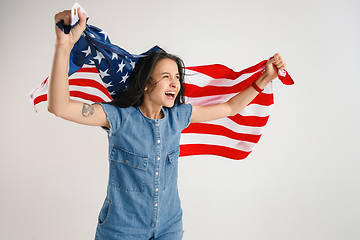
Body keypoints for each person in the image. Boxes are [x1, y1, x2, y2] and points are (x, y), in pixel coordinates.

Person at [48, 8, 287, 240]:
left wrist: (266, 77)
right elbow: (59, 107)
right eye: (165, 77)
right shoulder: (119, 118)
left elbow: (231, 108)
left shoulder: (179, 117)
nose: (174, 83)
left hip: (169, 227)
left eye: (176, 78)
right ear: (145, 84)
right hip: (122, 230)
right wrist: (63, 46)